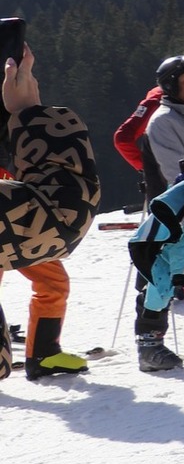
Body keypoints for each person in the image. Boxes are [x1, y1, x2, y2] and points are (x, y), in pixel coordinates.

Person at [0, 46, 101, 382]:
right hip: (17, 210)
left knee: (54, 282)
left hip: (21, 206)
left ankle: (44, 355)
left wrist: (28, 109)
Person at [135, 53, 184, 371]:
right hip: (176, 212)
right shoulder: (165, 121)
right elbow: (175, 173)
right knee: (162, 279)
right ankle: (149, 345)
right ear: (171, 86)